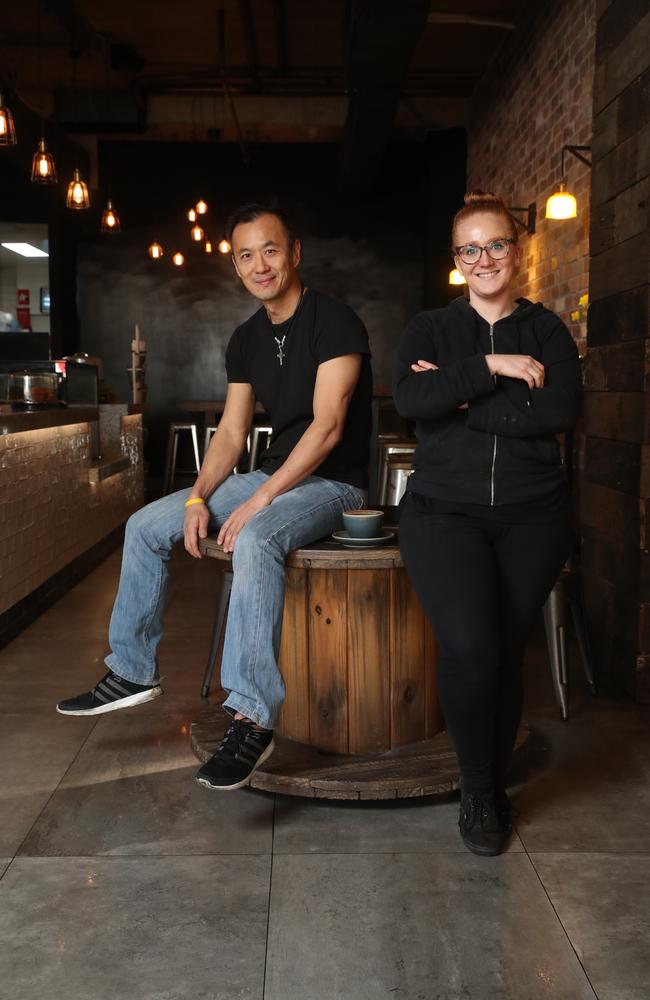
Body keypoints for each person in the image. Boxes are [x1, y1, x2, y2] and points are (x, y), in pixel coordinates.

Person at [58, 203, 372, 791]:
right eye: (246, 255)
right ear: (235, 263)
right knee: (148, 525)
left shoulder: (334, 321)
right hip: (277, 475)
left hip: (335, 484)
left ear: (295, 252)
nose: (260, 265)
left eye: (271, 250)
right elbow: (231, 432)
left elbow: (327, 427)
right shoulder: (246, 338)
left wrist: (260, 502)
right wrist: (198, 497)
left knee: (256, 537)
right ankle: (131, 669)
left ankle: (251, 716)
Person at [393, 190, 582, 857]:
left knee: (502, 649)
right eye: (469, 248)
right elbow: (411, 397)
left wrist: (461, 397)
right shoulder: (431, 329)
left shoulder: (548, 331)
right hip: (444, 513)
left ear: (516, 247)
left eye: (495, 244)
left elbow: (558, 411)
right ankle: (478, 790)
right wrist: (492, 369)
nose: (484, 259)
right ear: (456, 259)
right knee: (472, 646)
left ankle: (491, 781)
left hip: (534, 516)